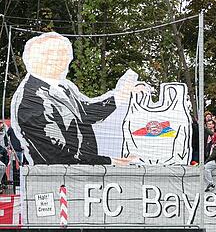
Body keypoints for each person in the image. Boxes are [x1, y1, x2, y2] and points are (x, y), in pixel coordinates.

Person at [11, 32, 143, 165]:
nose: (56, 58)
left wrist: (121, 95)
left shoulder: (63, 87)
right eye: (48, 53)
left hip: (78, 172)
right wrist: (113, 161)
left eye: (62, 53)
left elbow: (86, 113)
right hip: (57, 177)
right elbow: (58, 154)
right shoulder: (30, 100)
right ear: (32, 59)